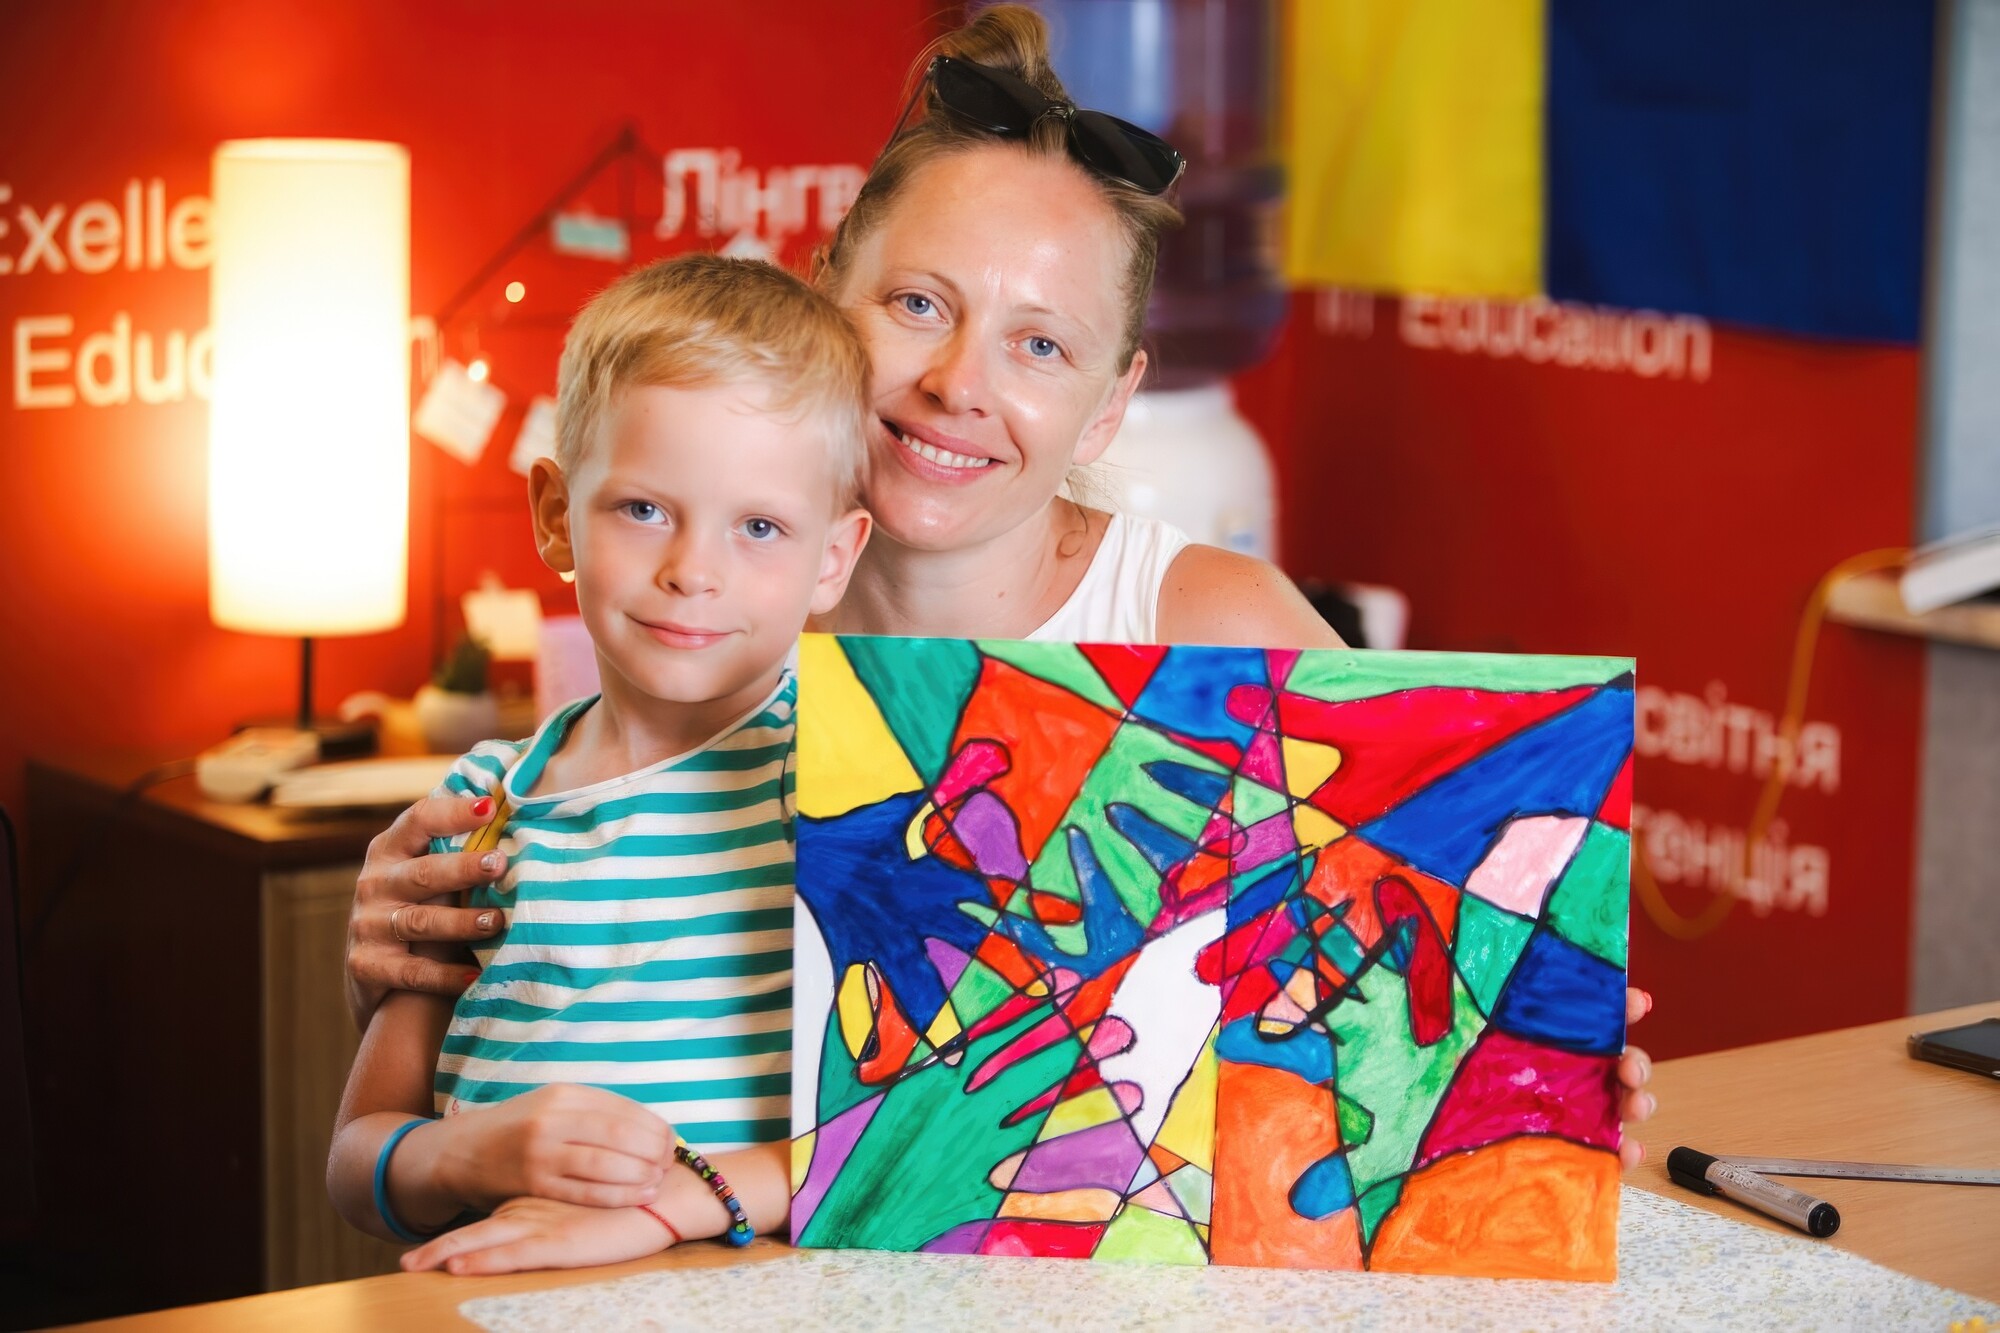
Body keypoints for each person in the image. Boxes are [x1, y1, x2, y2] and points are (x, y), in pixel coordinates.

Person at [340, 5, 1657, 1269]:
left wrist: (1517, 1046)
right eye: (916, 304)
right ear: (824, 288)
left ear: (1107, 406)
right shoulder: (710, 628)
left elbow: (1399, 994)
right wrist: (407, 952)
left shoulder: (1215, 633)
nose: (960, 381)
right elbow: (543, 957)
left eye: (1040, 343)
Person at [324, 252, 872, 1272]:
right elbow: (357, 1162)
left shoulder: (851, 784)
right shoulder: (480, 806)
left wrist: (682, 1199)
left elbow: (918, 1129)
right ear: (552, 512)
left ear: (832, 556)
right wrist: (464, 1153)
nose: (691, 571)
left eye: (759, 526)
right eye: (643, 509)